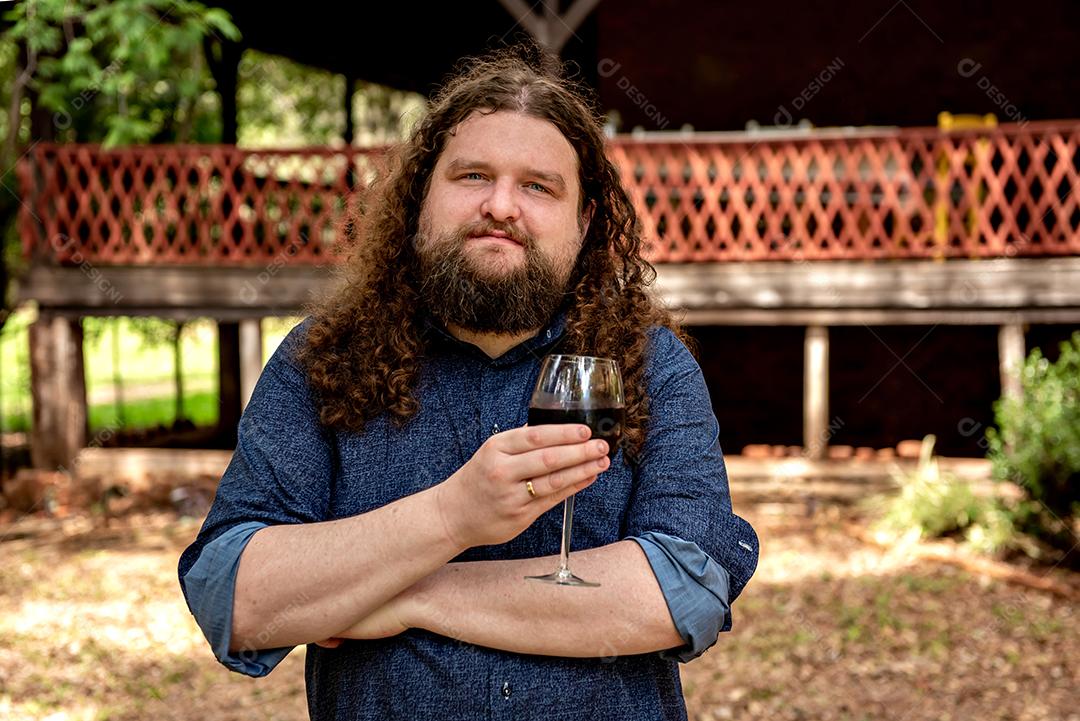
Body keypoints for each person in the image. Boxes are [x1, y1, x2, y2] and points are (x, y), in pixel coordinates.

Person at [178, 46, 758, 721]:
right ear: (422, 196)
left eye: (539, 185)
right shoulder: (323, 356)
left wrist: (400, 592)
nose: (501, 205)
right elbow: (234, 598)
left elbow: (680, 590)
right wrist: (453, 514)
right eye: (473, 175)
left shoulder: (649, 364)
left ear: (586, 221)